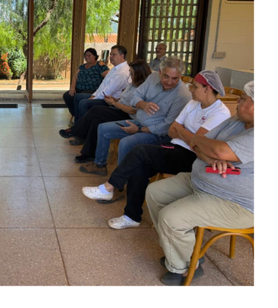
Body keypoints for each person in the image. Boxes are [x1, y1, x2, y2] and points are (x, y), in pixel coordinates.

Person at [84, 68, 227, 226]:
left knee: (140, 150)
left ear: (207, 88)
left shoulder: (219, 112)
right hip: (174, 146)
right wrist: (185, 133)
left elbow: (196, 143)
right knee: (139, 168)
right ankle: (131, 217)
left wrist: (182, 131)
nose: (191, 89)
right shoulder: (193, 104)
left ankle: (108, 188)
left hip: (193, 157)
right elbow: (173, 130)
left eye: (195, 86)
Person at [146, 82, 255, 284]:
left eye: (243, 100)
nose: (238, 103)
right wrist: (212, 155)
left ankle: (185, 266)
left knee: (171, 218)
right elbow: (198, 142)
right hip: (201, 181)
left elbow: (215, 148)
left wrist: (216, 150)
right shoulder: (236, 120)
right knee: (154, 192)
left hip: (235, 202)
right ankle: (185, 252)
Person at [79, 58, 188, 175]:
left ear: (180, 76)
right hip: (137, 122)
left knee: (126, 143)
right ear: (160, 72)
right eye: (166, 76)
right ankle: (99, 165)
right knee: (102, 128)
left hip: (155, 134)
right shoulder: (153, 77)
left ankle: (119, 182)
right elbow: (136, 95)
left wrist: (140, 130)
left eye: (175, 78)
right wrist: (142, 104)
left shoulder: (182, 95)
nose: (169, 82)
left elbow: (167, 126)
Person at [69, 55, 168, 162]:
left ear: (139, 73)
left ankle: (76, 131)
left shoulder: (143, 88)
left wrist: (114, 104)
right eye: (130, 72)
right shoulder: (132, 84)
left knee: (96, 109)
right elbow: (123, 98)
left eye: (132, 73)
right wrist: (114, 99)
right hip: (119, 108)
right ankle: (88, 154)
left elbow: (132, 110)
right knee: (96, 121)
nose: (130, 75)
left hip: (127, 114)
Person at [62, 45, 133, 136]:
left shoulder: (122, 72)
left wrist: (93, 98)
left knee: (84, 103)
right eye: (110, 54)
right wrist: (94, 96)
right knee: (77, 97)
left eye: (113, 54)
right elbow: (102, 86)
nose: (110, 56)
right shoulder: (115, 68)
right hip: (102, 95)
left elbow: (108, 92)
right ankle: (77, 127)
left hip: (110, 100)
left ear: (122, 56)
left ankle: (81, 134)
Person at [64, 46, 107, 122]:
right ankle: (76, 114)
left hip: (92, 90)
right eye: (85, 56)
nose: (87, 57)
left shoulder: (100, 66)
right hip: (79, 88)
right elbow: (75, 77)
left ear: (95, 56)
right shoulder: (82, 67)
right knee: (67, 95)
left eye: (89, 55)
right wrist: (72, 88)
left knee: (78, 97)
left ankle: (79, 121)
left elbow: (108, 78)